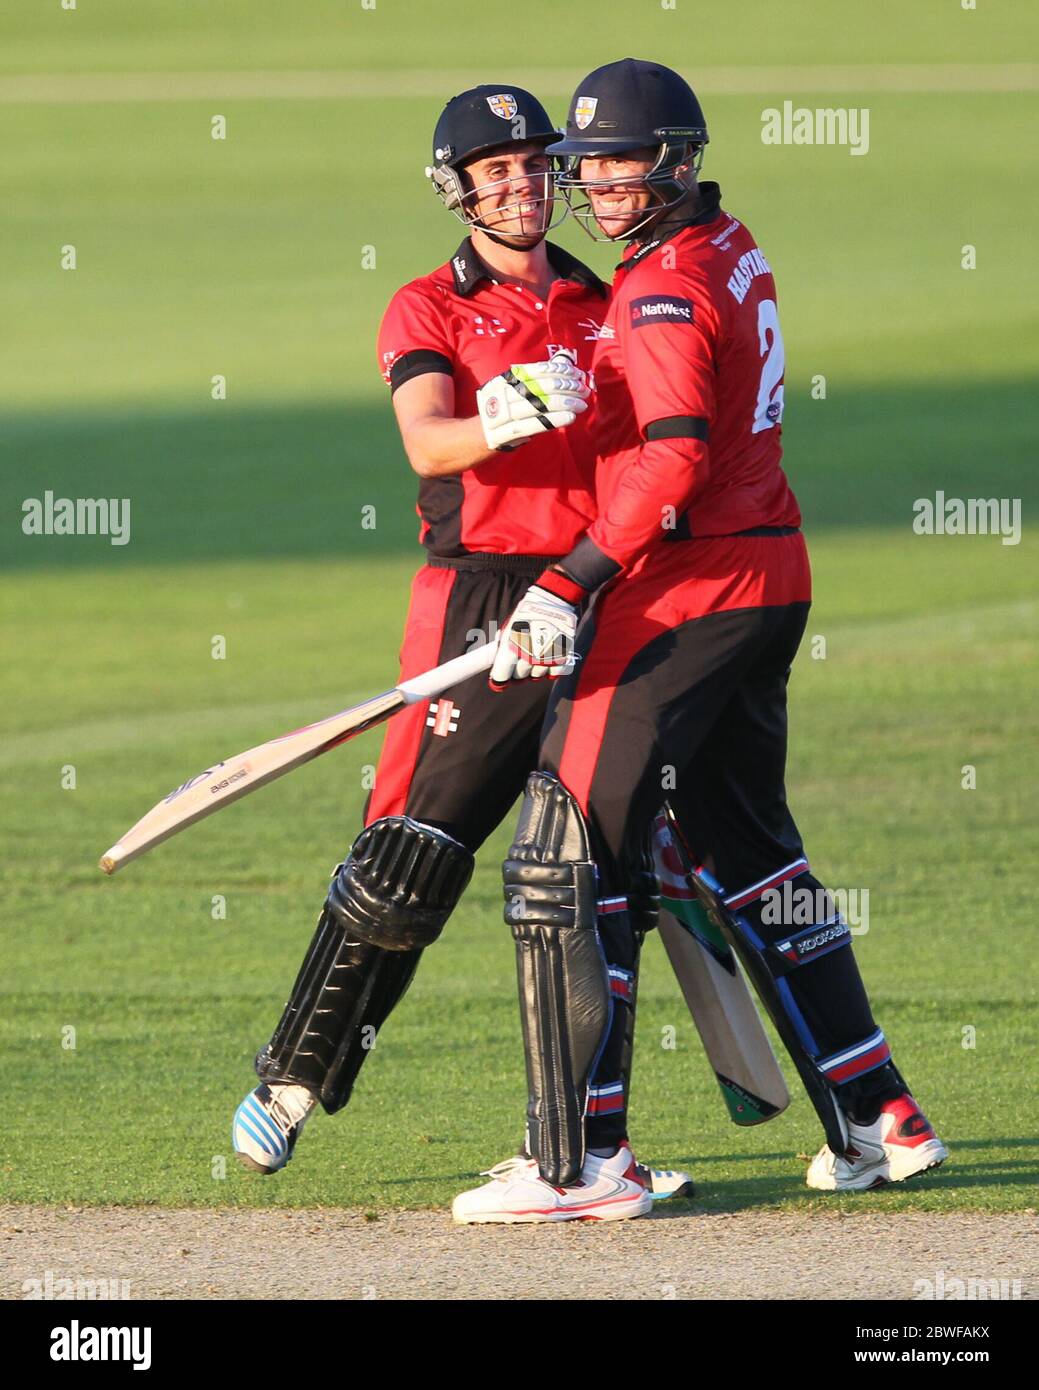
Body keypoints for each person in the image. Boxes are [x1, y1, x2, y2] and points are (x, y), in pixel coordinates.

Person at [453, 59, 947, 1222]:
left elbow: (671, 459)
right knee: (752, 850)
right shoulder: (731, 246)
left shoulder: (662, 286)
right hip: (768, 579)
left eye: (620, 161)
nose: (599, 185)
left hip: (689, 594)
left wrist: (566, 585)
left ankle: (580, 1163)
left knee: (564, 855)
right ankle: (876, 1114)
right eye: (587, 167)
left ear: (675, 158)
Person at [230, 83, 690, 1218]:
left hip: (591, 592)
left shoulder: (605, 296)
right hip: (477, 601)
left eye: (535, 166)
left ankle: (590, 1148)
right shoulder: (426, 304)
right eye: (494, 172)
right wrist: (514, 411)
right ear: (458, 189)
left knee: (587, 875)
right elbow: (429, 443)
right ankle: (294, 1078)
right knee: (413, 855)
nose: (521, 185)